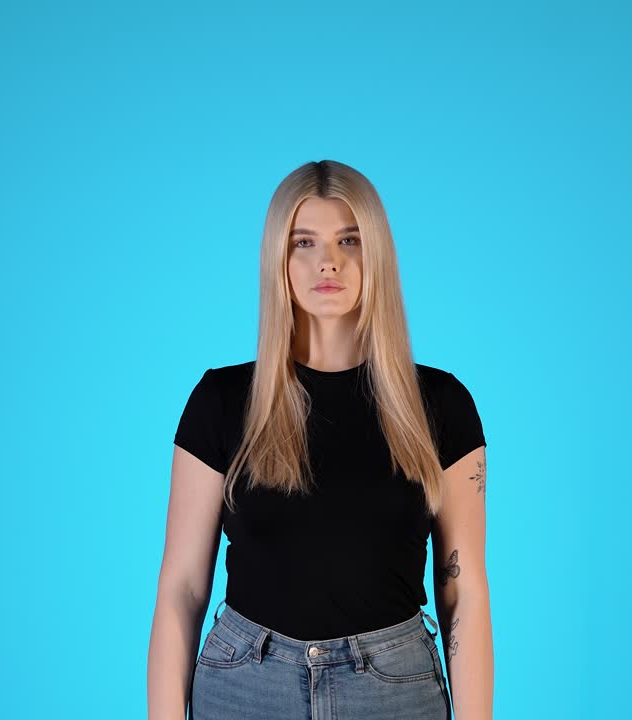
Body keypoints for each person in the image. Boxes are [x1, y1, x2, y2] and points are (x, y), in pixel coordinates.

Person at [147, 160, 493, 719]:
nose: (327, 261)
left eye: (349, 240)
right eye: (303, 242)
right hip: (244, 685)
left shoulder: (441, 405)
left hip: (394, 687)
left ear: (376, 255)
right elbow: (182, 587)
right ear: (278, 259)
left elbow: (464, 591)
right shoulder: (221, 401)